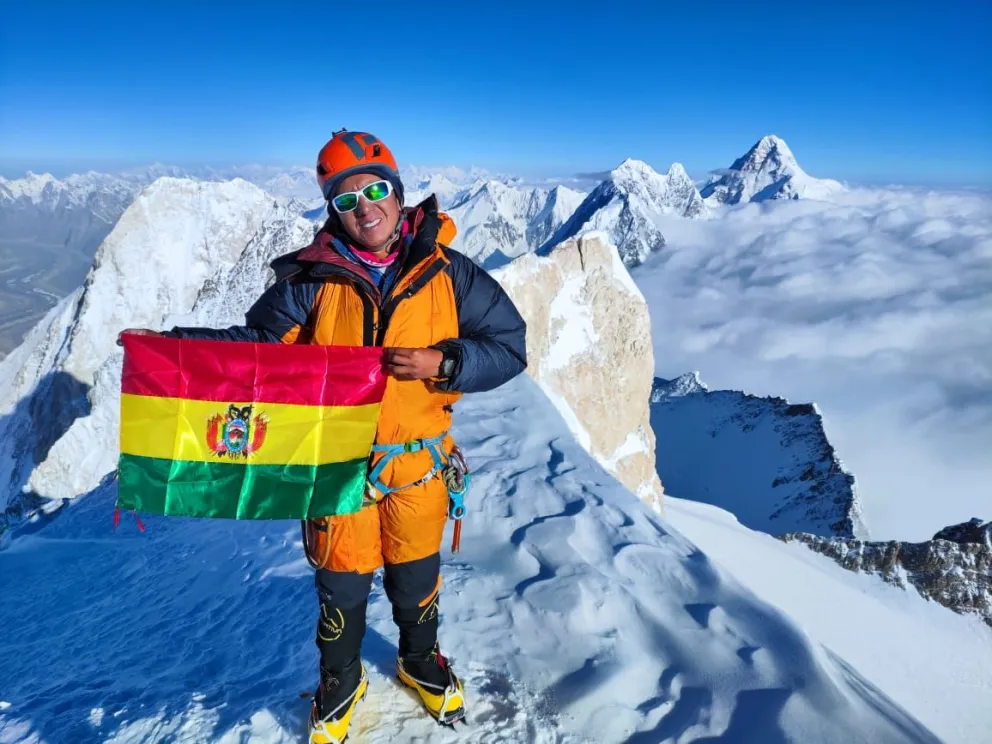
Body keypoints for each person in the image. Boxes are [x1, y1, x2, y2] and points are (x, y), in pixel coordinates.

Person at [119, 130, 527, 742]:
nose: (364, 207)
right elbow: (258, 350)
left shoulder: (450, 273)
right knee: (341, 583)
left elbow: (509, 346)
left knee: (416, 579)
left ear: (398, 192)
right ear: (331, 208)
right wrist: (174, 346)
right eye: (345, 198)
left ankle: (419, 661)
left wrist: (444, 363)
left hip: (419, 463)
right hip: (336, 465)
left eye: (375, 189)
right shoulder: (312, 280)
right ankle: (341, 679)